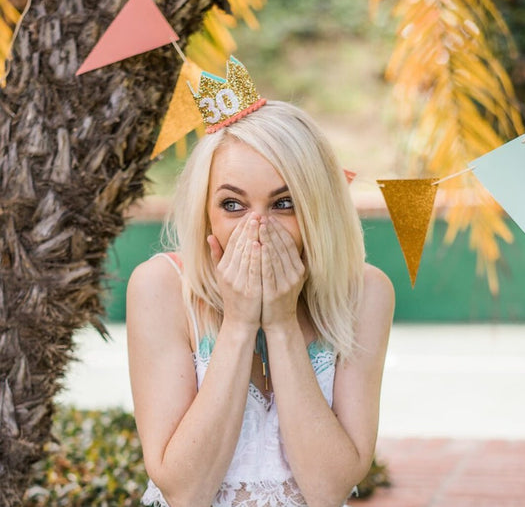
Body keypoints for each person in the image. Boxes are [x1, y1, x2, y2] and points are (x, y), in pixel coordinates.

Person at [126, 58, 394, 507]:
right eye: (233, 204)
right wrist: (239, 321)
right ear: (205, 212)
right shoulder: (161, 287)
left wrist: (283, 323)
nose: (258, 228)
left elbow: (329, 489)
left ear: (317, 208)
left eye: (284, 203)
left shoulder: (365, 293)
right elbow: (186, 491)